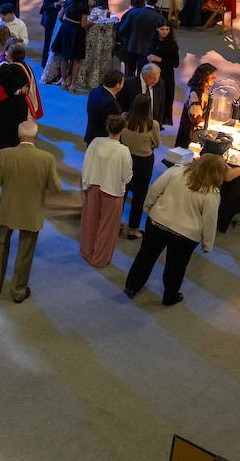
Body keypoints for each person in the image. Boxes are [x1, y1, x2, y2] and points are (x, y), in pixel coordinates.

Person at [124, 154, 222, 306]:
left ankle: (132, 287)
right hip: (185, 235)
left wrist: (148, 207)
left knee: (146, 255)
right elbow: (209, 220)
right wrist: (207, 243)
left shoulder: (176, 172)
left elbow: (155, 189)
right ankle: (170, 296)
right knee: (176, 267)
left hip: (158, 222)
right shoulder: (211, 193)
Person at [0, 120, 61, 303]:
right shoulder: (47, 158)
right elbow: (56, 188)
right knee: (25, 252)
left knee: (1, 243)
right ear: (36, 136)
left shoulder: (4, 154)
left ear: (18, 136)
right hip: (32, 213)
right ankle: (18, 290)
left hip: (8, 209)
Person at [79, 114, 134, 268]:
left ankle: (86, 252)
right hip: (113, 191)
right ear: (122, 130)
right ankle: (99, 259)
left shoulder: (95, 142)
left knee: (90, 221)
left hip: (93, 187)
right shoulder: (123, 151)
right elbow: (127, 176)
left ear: (107, 127)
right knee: (108, 228)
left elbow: (86, 163)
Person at [0, 42, 38, 165]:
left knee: (3, 133)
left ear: (11, 55)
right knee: (15, 133)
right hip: (21, 105)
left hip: (9, 106)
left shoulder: (11, 69)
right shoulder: (25, 66)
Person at [121, 93, 161, 239]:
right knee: (139, 195)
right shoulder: (152, 125)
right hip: (144, 161)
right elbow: (157, 144)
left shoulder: (124, 117)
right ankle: (133, 229)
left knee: (122, 191)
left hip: (126, 157)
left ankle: (116, 223)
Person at [52, 0, 92, 92]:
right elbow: (83, 24)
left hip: (66, 29)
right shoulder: (84, 5)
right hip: (77, 32)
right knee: (77, 59)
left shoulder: (68, 0)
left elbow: (60, 16)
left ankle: (63, 81)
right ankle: (73, 84)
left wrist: (66, 22)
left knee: (64, 57)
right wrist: (92, 20)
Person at [117, 0, 165, 77]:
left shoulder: (134, 12)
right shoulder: (159, 17)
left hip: (131, 46)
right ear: (157, 1)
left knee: (129, 73)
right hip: (148, 50)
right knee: (143, 74)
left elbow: (122, 29)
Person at [175, 63, 217, 147]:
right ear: (204, 77)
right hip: (190, 132)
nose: (215, 80)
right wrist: (207, 128)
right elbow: (195, 116)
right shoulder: (195, 92)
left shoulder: (203, 90)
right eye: (212, 77)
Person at [147, 23, 178, 128]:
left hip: (166, 75)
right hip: (153, 73)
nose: (165, 32)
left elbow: (175, 63)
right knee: (152, 97)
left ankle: (159, 122)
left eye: (167, 29)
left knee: (164, 98)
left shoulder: (172, 44)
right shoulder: (153, 40)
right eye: (162, 29)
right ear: (157, 29)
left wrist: (159, 59)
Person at [85, 70, 125, 144]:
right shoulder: (111, 104)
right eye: (123, 82)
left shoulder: (95, 91)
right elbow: (111, 127)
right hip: (102, 141)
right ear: (117, 85)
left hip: (91, 134)